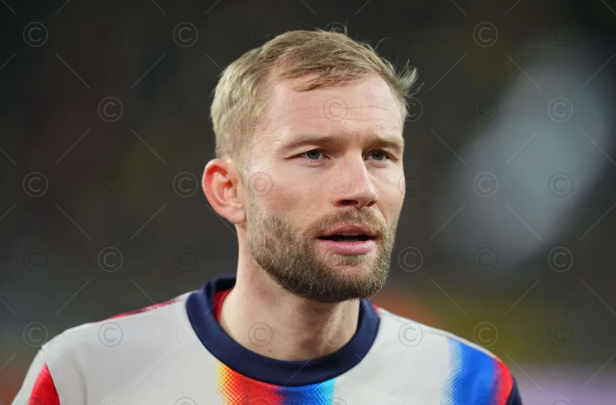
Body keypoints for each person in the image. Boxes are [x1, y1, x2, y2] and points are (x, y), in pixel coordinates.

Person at [12, 28, 522, 405]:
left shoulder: (469, 385)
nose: (361, 190)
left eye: (380, 155)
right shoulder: (87, 376)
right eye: (314, 154)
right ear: (229, 190)